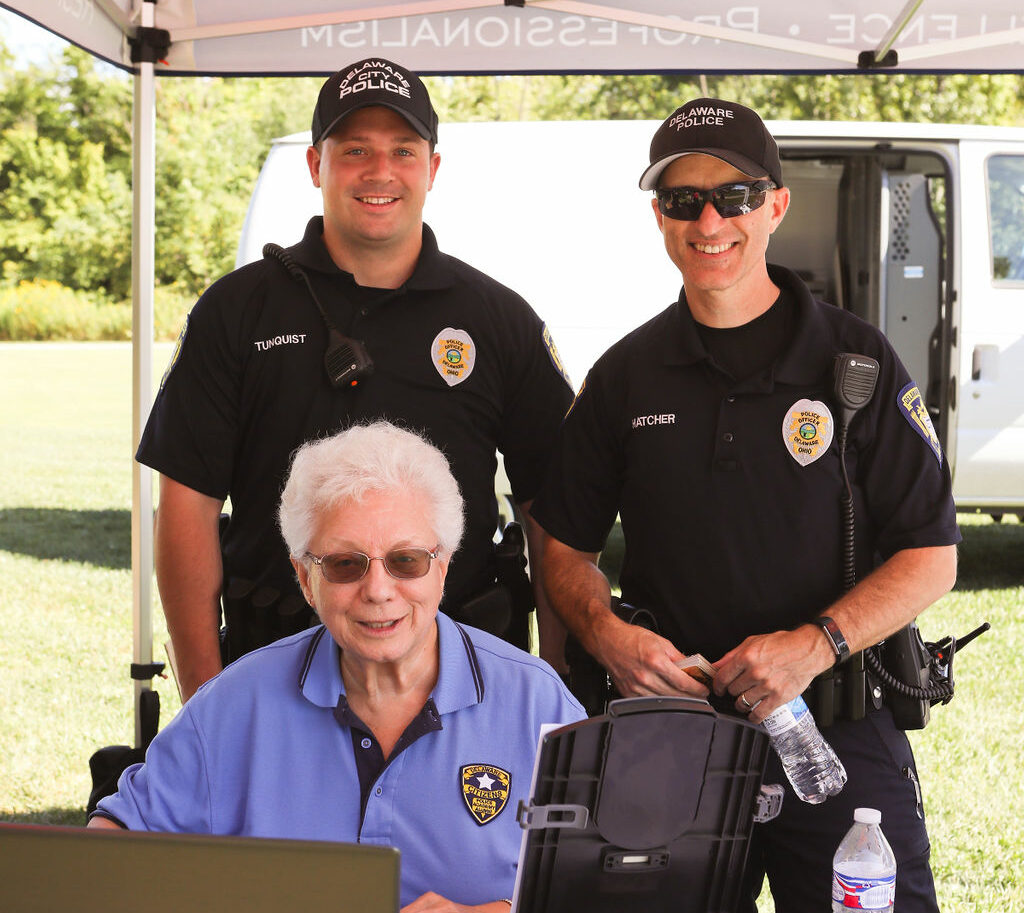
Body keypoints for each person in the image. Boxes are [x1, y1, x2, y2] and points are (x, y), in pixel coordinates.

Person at [529, 98, 960, 913]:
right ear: (659, 216)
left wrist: (815, 643)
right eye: (683, 200)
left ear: (775, 205)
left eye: (733, 197)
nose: (709, 221)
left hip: (834, 734)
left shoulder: (855, 361)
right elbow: (563, 546)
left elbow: (933, 555)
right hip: (671, 741)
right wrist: (606, 633)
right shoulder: (625, 376)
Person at [138, 57, 574, 701]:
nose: (380, 172)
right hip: (276, 671)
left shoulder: (497, 317)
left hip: (463, 679)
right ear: (317, 165)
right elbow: (187, 509)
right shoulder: (236, 311)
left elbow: (552, 512)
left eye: (403, 150)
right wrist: (208, 701)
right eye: (356, 150)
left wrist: (557, 682)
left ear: (432, 167)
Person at [92, 422, 586, 911]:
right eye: (345, 565)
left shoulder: (537, 705)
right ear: (304, 578)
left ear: (444, 565)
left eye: (406, 560)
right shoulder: (233, 704)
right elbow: (115, 842)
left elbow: (608, 882)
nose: (378, 590)